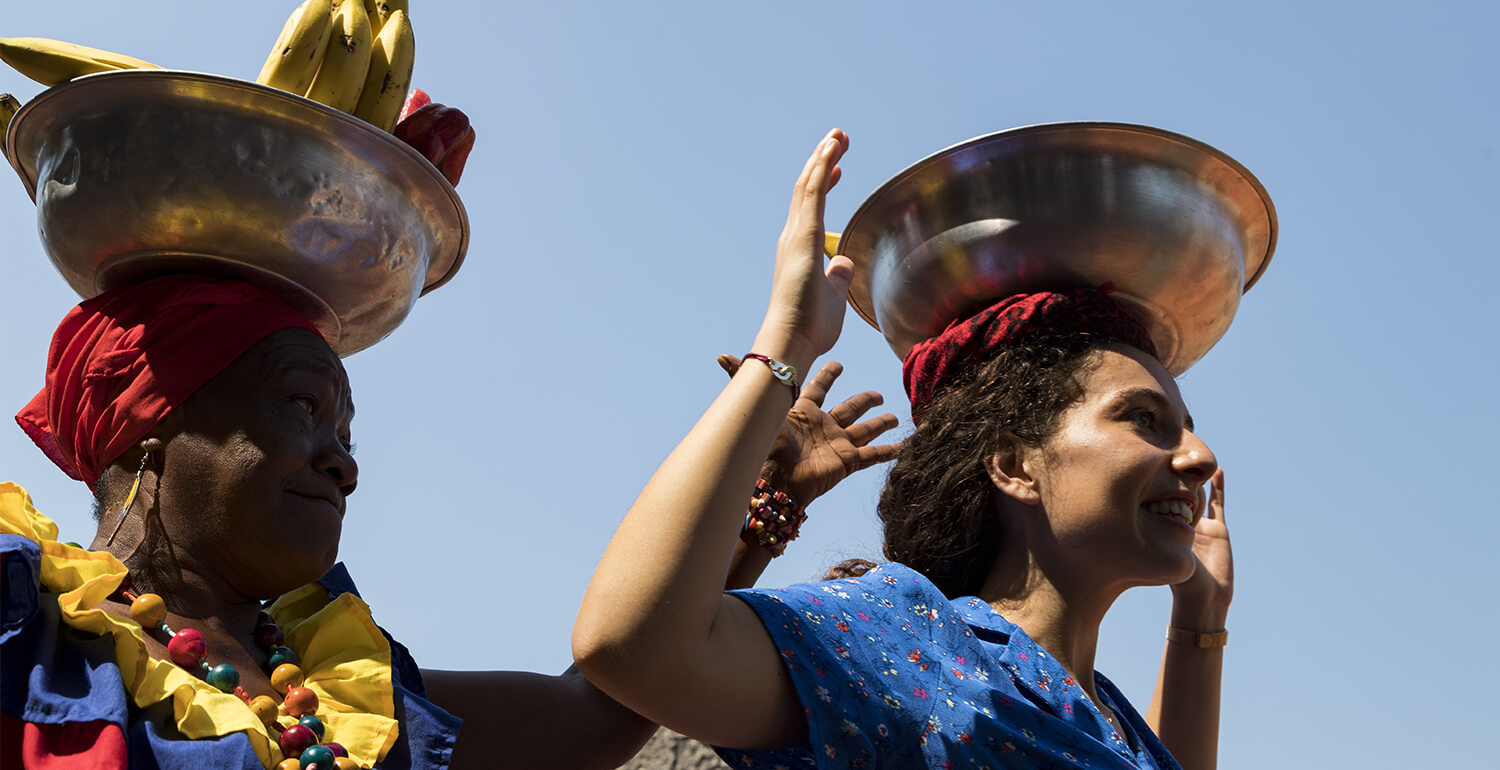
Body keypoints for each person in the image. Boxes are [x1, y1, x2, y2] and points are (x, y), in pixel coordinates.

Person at [0, 272, 899, 769]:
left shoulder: (359, 696)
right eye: (302, 407)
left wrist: (762, 492)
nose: (342, 460)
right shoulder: (25, 628)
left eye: (347, 432)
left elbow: (604, 711)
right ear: (150, 419)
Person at [572, 129, 1235, 769]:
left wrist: (1202, 618)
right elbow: (634, 649)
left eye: (1185, 424)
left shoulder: (1112, 717)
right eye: (1146, 420)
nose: (1200, 455)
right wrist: (787, 342)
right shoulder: (911, 640)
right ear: (1013, 465)